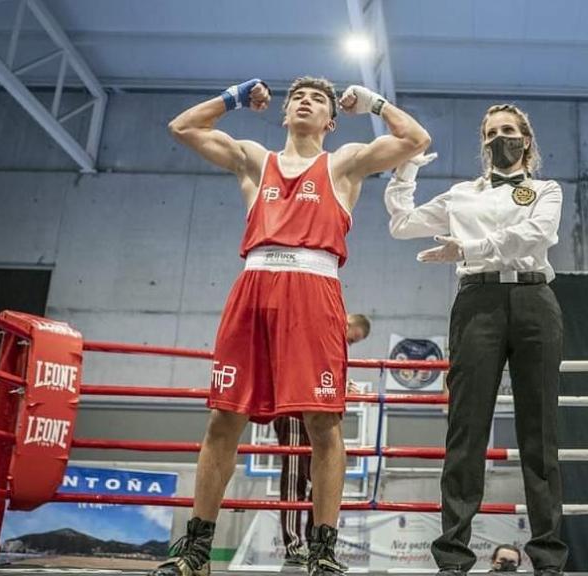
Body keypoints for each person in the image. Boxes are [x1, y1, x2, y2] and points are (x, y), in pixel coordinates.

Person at [153, 77, 429, 576]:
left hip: (315, 290)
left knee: (323, 423)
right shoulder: (257, 160)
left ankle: (323, 553)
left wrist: (373, 101)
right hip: (254, 286)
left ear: (331, 120)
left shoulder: (342, 162)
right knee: (223, 419)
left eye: (317, 99)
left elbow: (415, 140)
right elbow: (182, 126)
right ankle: (195, 552)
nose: (304, 101)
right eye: (296, 97)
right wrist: (236, 96)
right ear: (283, 114)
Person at [384, 104, 568, 576]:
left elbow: (536, 235)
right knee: (465, 430)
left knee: (539, 432)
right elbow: (402, 224)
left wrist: (468, 246)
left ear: (526, 139)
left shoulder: (546, 189)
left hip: (534, 300)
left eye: (508, 130)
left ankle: (548, 558)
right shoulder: (461, 195)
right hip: (477, 303)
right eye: (490, 133)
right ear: (482, 143)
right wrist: (405, 167)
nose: (498, 138)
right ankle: (453, 557)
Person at [276, 314, 371, 568]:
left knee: (318, 478)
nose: (349, 344)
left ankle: (315, 544)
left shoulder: (331, 343)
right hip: (296, 404)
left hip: (317, 403)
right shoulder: (317, 326)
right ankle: (293, 546)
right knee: (295, 476)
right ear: (347, 322)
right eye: (351, 339)